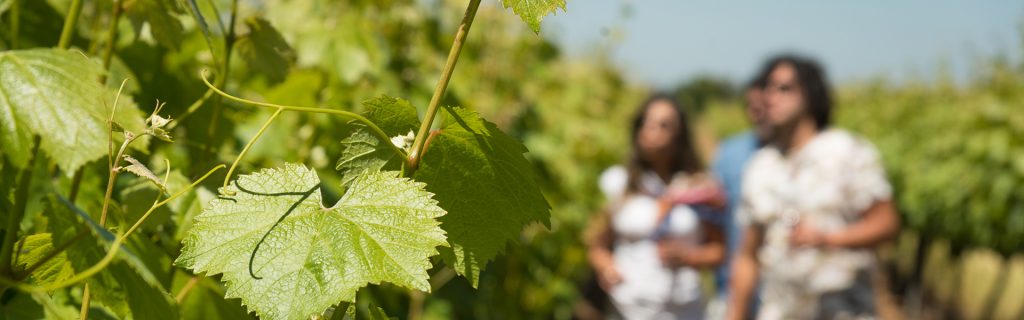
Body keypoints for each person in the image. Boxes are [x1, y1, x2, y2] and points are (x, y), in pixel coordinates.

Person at [727, 55, 900, 320]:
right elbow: (748, 256)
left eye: (784, 88)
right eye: (768, 89)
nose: (772, 96)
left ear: (810, 94)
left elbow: (886, 223)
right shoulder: (760, 166)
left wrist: (829, 239)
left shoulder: (846, 152)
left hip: (843, 310)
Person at [587, 94, 726, 319]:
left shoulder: (701, 188)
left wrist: (690, 257)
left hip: (683, 308)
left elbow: (720, 250)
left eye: (664, 125)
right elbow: (598, 244)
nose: (652, 132)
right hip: (629, 307)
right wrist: (607, 268)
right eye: (646, 123)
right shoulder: (618, 183)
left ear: (679, 135)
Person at [705, 77, 771, 319]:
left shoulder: (805, 156)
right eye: (750, 106)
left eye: (762, 104)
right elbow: (715, 217)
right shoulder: (729, 153)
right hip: (732, 283)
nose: (756, 112)